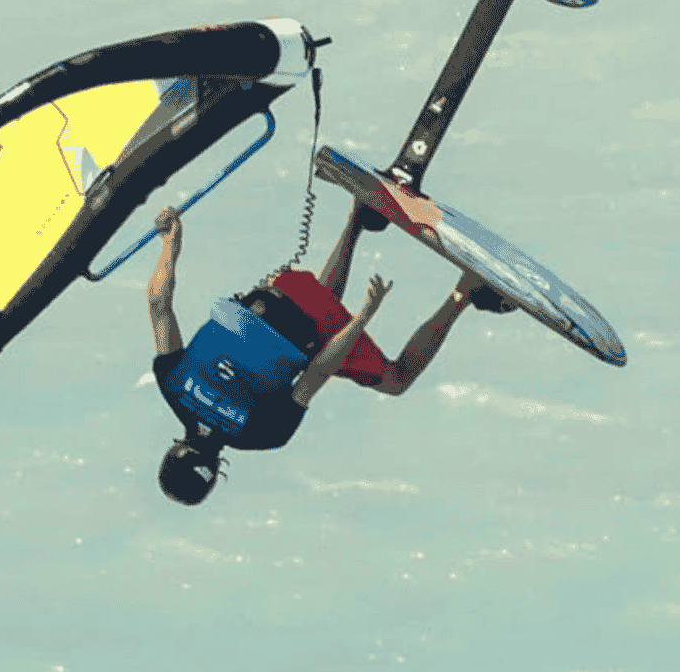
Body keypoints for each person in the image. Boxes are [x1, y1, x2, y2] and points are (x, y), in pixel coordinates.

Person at [146, 200, 495, 505]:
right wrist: (171, 243)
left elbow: (318, 372)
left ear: (213, 475)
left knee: (396, 379)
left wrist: (362, 318)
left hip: (313, 322)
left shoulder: (259, 434)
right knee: (311, 322)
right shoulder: (171, 384)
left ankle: (465, 290)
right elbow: (160, 305)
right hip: (281, 286)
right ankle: (357, 217)